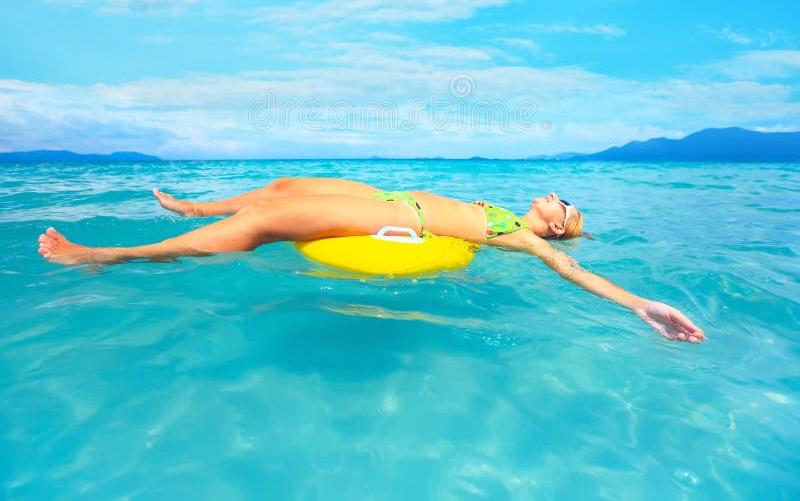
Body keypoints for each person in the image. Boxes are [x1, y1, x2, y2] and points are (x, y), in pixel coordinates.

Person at [37, 176, 706, 343]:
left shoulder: (529, 239)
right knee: (284, 189)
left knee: (267, 222)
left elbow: (575, 272)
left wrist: (643, 305)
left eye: (564, 203)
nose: (555, 197)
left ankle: (105, 256)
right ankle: (193, 209)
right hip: (385, 194)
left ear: (555, 226)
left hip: (397, 219)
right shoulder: (504, 205)